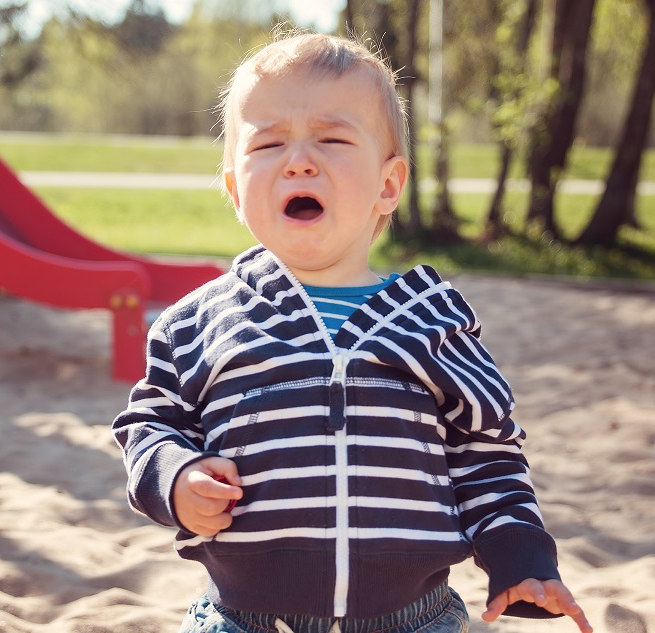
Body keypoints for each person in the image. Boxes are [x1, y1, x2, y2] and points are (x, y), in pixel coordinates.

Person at [111, 32, 593, 633]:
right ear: (235, 189)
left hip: (412, 618)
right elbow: (148, 426)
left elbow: (485, 449)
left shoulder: (432, 320)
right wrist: (176, 476)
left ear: (388, 186)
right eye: (270, 143)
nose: (299, 160)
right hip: (243, 616)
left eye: (332, 138)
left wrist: (521, 557)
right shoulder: (197, 324)